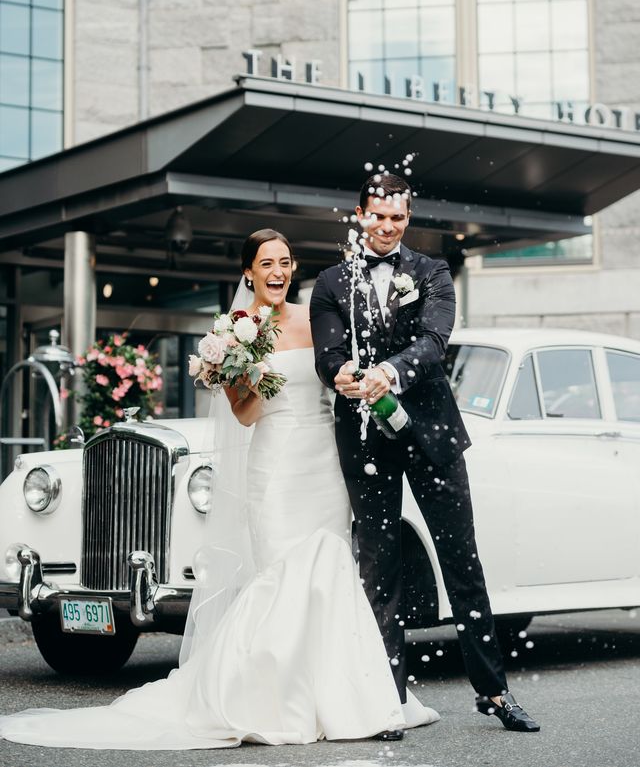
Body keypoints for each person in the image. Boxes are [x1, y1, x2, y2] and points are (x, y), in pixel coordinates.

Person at [0, 228, 438, 751]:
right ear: (248, 271)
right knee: (282, 574)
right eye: (266, 263)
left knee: (330, 568)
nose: (277, 271)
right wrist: (247, 369)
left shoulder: (317, 317)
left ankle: (342, 696)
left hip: (324, 462)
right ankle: (273, 698)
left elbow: (338, 374)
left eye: (285, 261)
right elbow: (246, 415)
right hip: (275, 466)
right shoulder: (232, 331)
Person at [310, 174, 540, 735]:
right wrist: (339, 372)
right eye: (378, 216)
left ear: (408, 219)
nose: (387, 228)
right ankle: (387, 701)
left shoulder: (432, 272)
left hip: (433, 437)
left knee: (462, 564)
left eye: (398, 219)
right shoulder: (331, 281)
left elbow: (435, 343)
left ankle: (494, 692)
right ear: (360, 213)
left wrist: (389, 372)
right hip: (367, 440)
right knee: (379, 571)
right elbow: (328, 353)